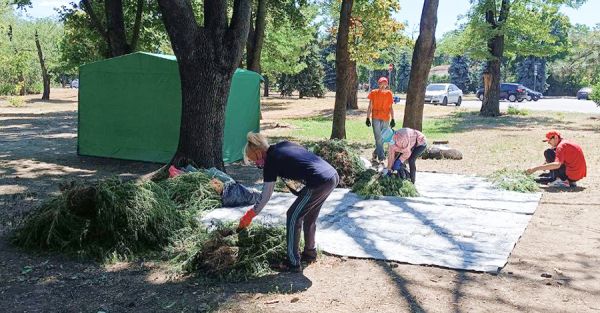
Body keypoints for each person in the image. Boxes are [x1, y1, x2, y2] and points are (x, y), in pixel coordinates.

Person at [238, 132, 339, 272]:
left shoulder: (271, 161)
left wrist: (250, 214)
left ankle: (292, 262)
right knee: (309, 216)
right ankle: (310, 253)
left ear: (259, 152)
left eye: (254, 160)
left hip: (318, 181)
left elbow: (266, 195)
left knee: (293, 216)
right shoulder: (282, 145)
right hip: (331, 175)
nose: (256, 164)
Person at [366, 77, 395, 163]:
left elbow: (391, 107)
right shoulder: (374, 93)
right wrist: (368, 118)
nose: (383, 85)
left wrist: (393, 119)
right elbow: (370, 106)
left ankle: (375, 153)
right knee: (378, 137)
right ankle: (381, 158)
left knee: (382, 138)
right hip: (376, 117)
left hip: (386, 118)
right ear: (379, 84)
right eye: (381, 84)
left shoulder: (389, 94)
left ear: (387, 85)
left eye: (385, 84)